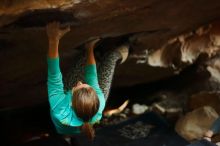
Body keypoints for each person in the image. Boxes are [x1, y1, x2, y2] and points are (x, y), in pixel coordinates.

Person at [46, 21, 129, 141]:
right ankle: (125, 48)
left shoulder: (60, 107)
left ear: (71, 102)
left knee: (83, 60)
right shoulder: (99, 102)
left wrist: (53, 39)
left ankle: (98, 54)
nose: (80, 82)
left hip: (64, 127)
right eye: (86, 86)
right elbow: (92, 76)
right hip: (83, 114)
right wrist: (90, 48)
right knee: (111, 58)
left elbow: (54, 74)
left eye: (78, 88)